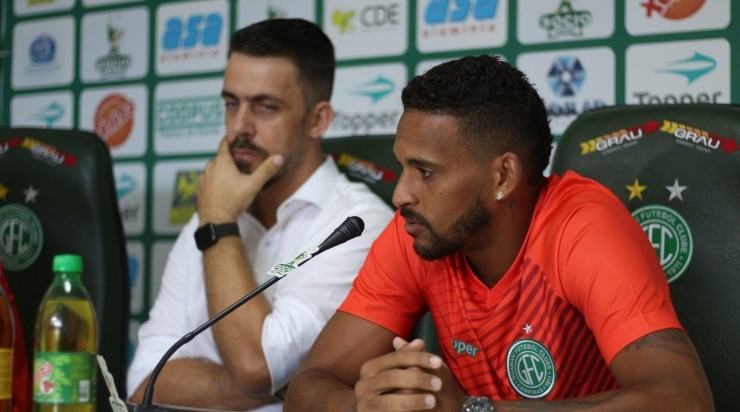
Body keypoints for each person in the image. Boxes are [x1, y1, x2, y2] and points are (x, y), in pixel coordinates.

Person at [284, 55, 714, 411]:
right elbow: (308, 386)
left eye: (425, 172)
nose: (400, 194)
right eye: (403, 167)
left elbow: (684, 401)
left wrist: (473, 410)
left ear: (503, 176)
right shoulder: (415, 232)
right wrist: (363, 404)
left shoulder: (582, 228)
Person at [126, 19, 393, 411]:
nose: (240, 128)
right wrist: (280, 385)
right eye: (231, 104)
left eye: (266, 107)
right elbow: (143, 381)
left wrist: (219, 222)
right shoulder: (213, 211)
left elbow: (256, 367)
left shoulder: (359, 225)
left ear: (318, 120)